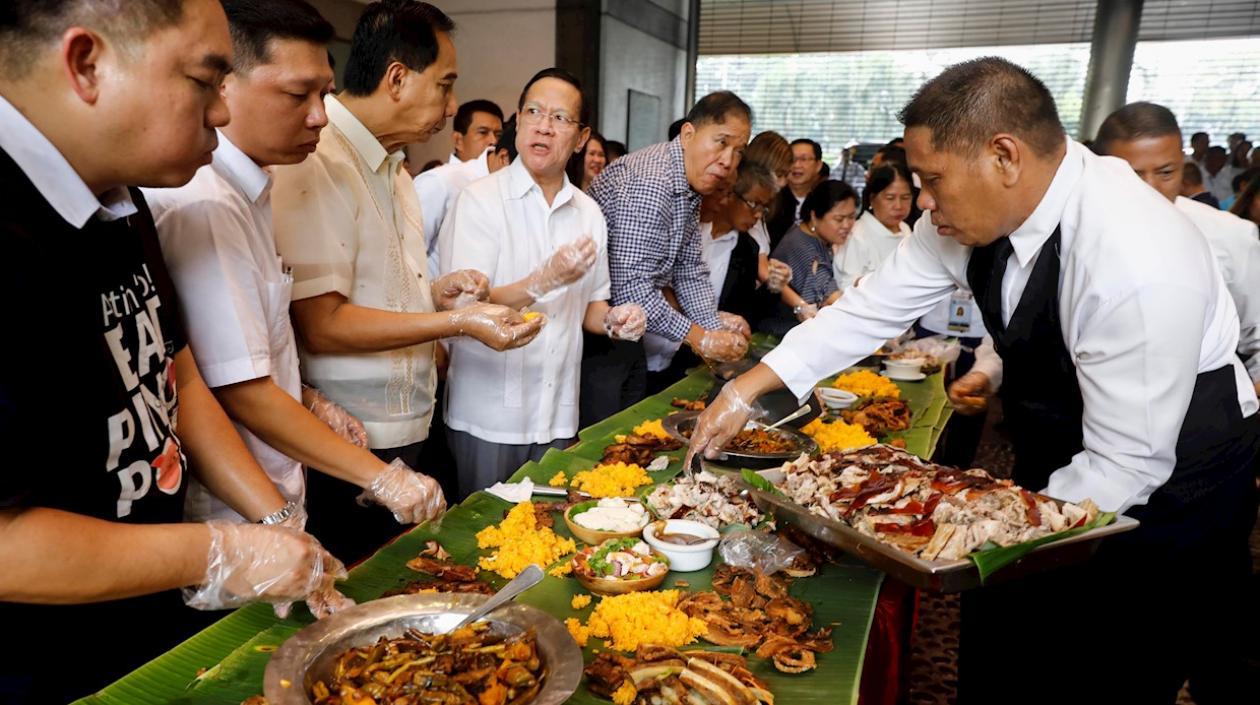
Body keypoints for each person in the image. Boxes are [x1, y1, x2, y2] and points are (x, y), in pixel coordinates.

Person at [688, 57, 1258, 705]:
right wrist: (751, 384)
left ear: (1004, 156)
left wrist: (954, 536)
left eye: (932, 180)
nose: (921, 201)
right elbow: (873, 305)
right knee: (1002, 641)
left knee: (1101, 666)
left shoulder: (1136, 255)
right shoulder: (969, 211)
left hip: (1174, 475)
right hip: (1059, 441)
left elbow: (1125, 463)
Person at [0, 1, 345, 700]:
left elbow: (173, 370)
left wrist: (272, 517)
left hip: (141, 624)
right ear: (87, 64)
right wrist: (220, 551)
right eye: (205, 79)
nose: (222, 112)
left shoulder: (122, 196)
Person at [146, 0, 448, 544]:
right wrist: (379, 477)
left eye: (324, 94)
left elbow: (246, 348)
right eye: (296, 95)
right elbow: (239, 388)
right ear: (223, 87)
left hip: (279, 487)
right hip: (236, 516)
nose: (319, 116)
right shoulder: (209, 201)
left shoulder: (255, 188)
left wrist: (311, 398)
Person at [270, 0, 544, 562]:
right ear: (397, 78)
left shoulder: (393, 163)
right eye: (444, 86)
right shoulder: (314, 157)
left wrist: (434, 292)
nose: (450, 107)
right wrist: (459, 321)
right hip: (349, 441)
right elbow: (322, 324)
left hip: (410, 422)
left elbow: (372, 287)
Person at [440, 69, 646, 495]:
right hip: (490, 414)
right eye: (533, 111)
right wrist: (541, 281)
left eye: (559, 118)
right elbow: (462, 311)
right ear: (518, 118)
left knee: (544, 542)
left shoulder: (589, 212)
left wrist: (614, 322)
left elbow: (591, 306)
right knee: (482, 545)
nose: (543, 126)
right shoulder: (481, 201)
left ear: (581, 135)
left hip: (557, 411)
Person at [579, 91, 753, 426]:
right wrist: (702, 339)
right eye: (721, 143)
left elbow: (689, 269)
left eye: (738, 151)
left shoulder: (687, 185)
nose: (728, 161)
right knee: (604, 442)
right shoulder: (651, 181)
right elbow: (631, 291)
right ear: (688, 134)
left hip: (632, 331)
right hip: (596, 331)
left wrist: (715, 332)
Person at [646, 160, 783, 391]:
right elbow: (653, 285)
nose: (758, 215)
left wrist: (772, 287)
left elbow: (744, 312)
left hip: (690, 360)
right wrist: (711, 316)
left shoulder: (747, 249)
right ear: (729, 195)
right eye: (753, 204)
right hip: (646, 344)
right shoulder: (684, 229)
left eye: (764, 208)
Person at [764, 181, 858, 335]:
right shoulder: (803, 247)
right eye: (839, 219)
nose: (847, 225)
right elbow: (831, 298)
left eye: (852, 217)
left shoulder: (808, 235)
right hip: (778, 337)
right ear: (814, 216)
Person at [835, 161, 913, 290]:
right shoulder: (857, 234)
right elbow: (846, 285)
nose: (898, 206)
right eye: (890, 198)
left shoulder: (905, 228)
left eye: (905, 198)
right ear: (872, 198)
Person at [742, 131, 796, 288]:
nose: (784, 183)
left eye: (786, 175)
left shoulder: (773, 206)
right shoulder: (743, 210)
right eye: (779, 175)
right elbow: (763, 271)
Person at [765, 138, 824, 247]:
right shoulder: (771, 198)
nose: (797, 165)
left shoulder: (823, 200)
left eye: (804, 159)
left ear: (818, 165)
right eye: (792, 159)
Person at [449, 98, 503, 164]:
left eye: (498, 135)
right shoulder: (438, 174)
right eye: (483, 132)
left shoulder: (501, 172)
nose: (494, 141)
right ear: (458, 140)